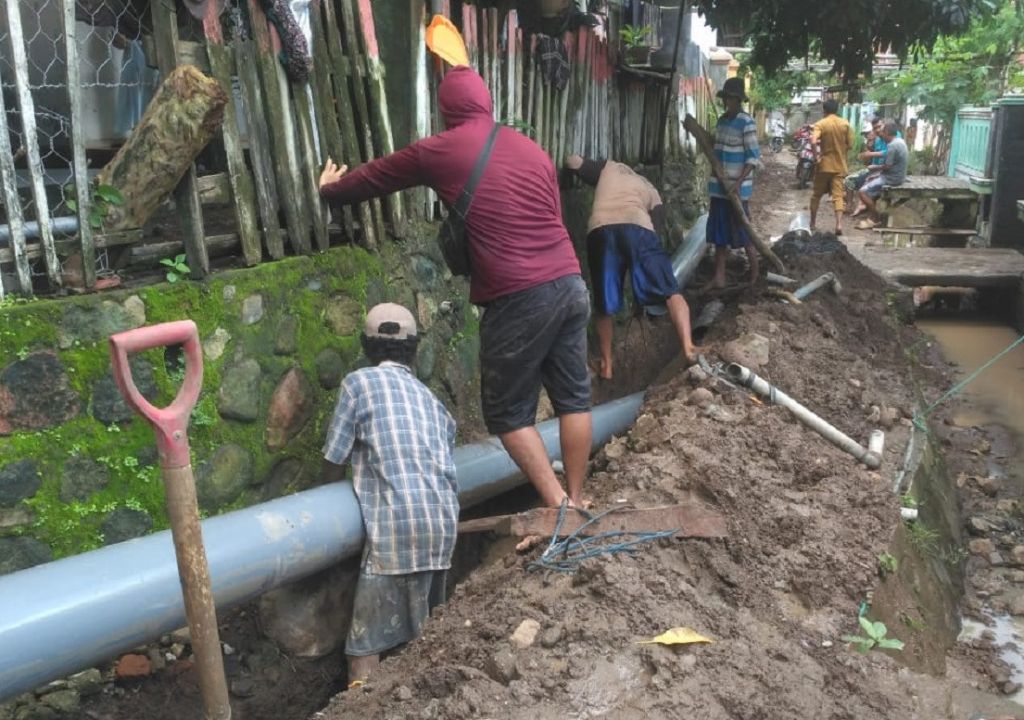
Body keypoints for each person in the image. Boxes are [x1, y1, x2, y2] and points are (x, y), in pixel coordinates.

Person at [319, 66, 592, 510]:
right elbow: (553, 216)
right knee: (574, 398)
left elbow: (377, 177)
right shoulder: (533, 149)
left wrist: (332, 191)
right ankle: (578, 499)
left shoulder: (441, 150)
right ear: (487, 103)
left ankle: (558, 506)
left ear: (445, 111)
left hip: (518, 293)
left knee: (506, 413)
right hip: (570, 281)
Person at [321, 303, 458, 687]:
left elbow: (335, 457)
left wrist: (319, 502)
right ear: (414, 348)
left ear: (367, 346)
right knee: (425, 634)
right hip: (444, 526)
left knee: (364, 646)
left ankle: (364, 709)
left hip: (397, 528)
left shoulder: (357, 384)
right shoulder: (434, 403)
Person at [565, 154, 698, 380]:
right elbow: (654, 232)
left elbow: (573, 161)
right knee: (671, 291)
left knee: (605, 304)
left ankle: (607, 365)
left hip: (600, 231)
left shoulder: (608, 168)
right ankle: (688, 348)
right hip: (639, 228)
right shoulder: (651, 189)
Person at [706, 76, 761, 288]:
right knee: (719, 233)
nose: (727, 101)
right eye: (726, 98)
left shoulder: (746, 123)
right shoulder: (721, 121)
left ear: (738, 100)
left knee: (743, 228)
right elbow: (716, 151)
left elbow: (752, 158)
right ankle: (719, 276)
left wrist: (737, 184)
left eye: (731, 98)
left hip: (737, 190)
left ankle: (755, 272)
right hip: (719, 188)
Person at [809, 98, 854, 235]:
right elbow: (850, 145)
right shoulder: (845, 124)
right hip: (840, 166)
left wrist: (817, 155)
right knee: (838, 197)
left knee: (816, 195)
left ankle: (812, 223)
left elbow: (813, 140)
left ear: (824, 110)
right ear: (837, 109)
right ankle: (839, 225)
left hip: (824, 166)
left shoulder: (821, 124)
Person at [856, 121, 909, 228]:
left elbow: (887, 167)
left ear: (888, 133)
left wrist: (874, 168)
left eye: (883, 132)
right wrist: (876, 175)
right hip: (899, 176)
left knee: (862, 192)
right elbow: (890, 166)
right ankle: (872, 214)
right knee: (869, 180)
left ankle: (874, 218)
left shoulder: (892, 146)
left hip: (892, 178)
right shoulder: (900, 141)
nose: (881, 134)